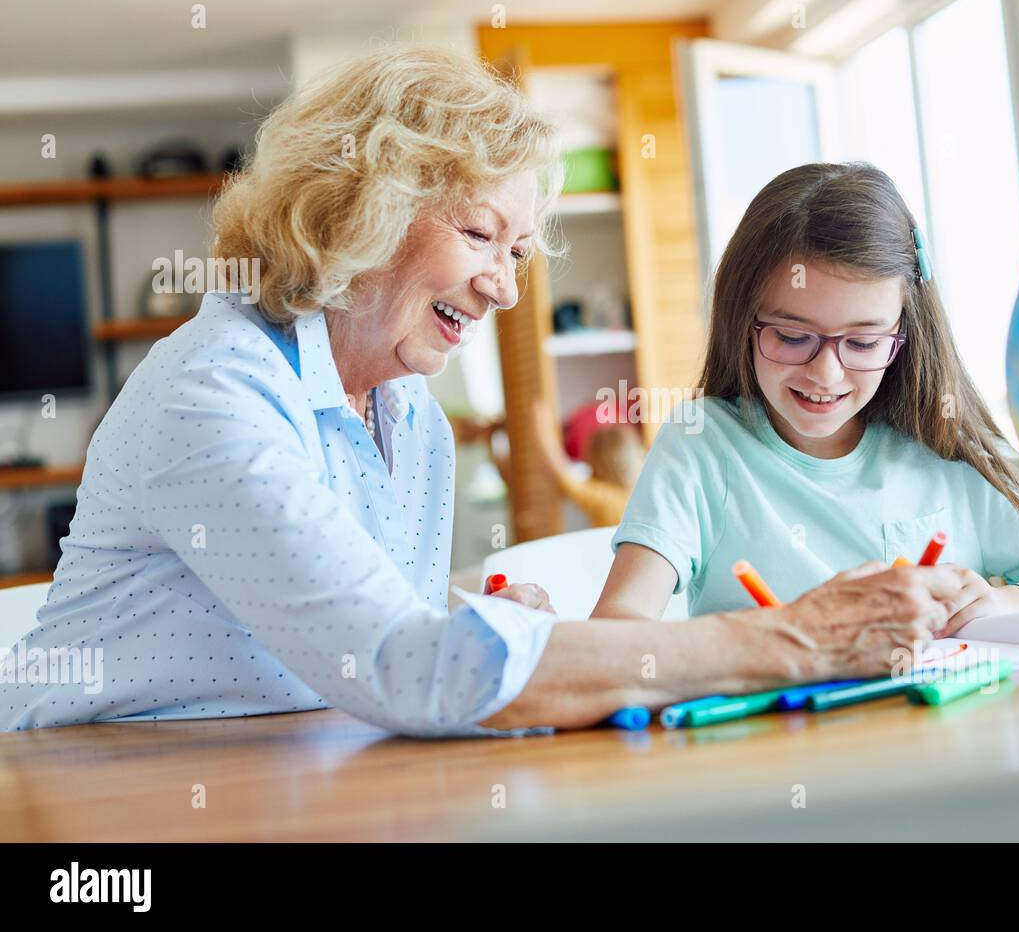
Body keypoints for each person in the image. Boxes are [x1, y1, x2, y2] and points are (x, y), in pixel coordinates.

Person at [1, 50, 962, 735]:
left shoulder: (407, 412)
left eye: (516, 251)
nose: (505, 286)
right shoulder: (214, 395)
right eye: (478, 236)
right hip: (98, 791)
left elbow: (375, 617)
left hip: (285, 772)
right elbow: (403, 668)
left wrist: (479, 604)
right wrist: (796, 640)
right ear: (361, 212)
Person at [595, 162, 1019, 629]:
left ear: (904, 334)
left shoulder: (944, 447)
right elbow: (618, 628)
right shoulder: (703, 446)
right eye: (791, 336)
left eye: (863, 341)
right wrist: (779, 639)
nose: (826, 373)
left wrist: (1011, 601)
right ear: (742, 320)